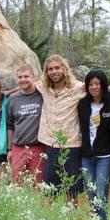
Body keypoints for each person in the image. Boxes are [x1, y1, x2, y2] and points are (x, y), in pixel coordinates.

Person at [35, 54, 85, 201]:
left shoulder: (78, 88)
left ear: (64, 69)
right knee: (50, 190)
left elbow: (99, 87)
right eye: (50, 69)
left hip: (72, 144)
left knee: (72, 189)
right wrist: (5, 94)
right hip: (52, 145)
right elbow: (26, 85)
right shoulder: (44, 88)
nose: (54, 71)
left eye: (57, 68)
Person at [78, 69, 110, 220]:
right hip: (86, 157)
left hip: (105, 157)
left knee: (101, 194)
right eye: (91, 84)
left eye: (97, 83)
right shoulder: (83, 104)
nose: (94, 87)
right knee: (91, 194)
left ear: (103, 85)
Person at [6, 65, 45, 186]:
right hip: (19, 146)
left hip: (38, 146)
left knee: (37, 184)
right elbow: (10, 125)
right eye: (20, 77)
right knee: (17, 183)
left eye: (26, 76)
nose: (23, 80)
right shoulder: (13, 99)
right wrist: (9, 149)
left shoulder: (42, 95)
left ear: (34, 77)